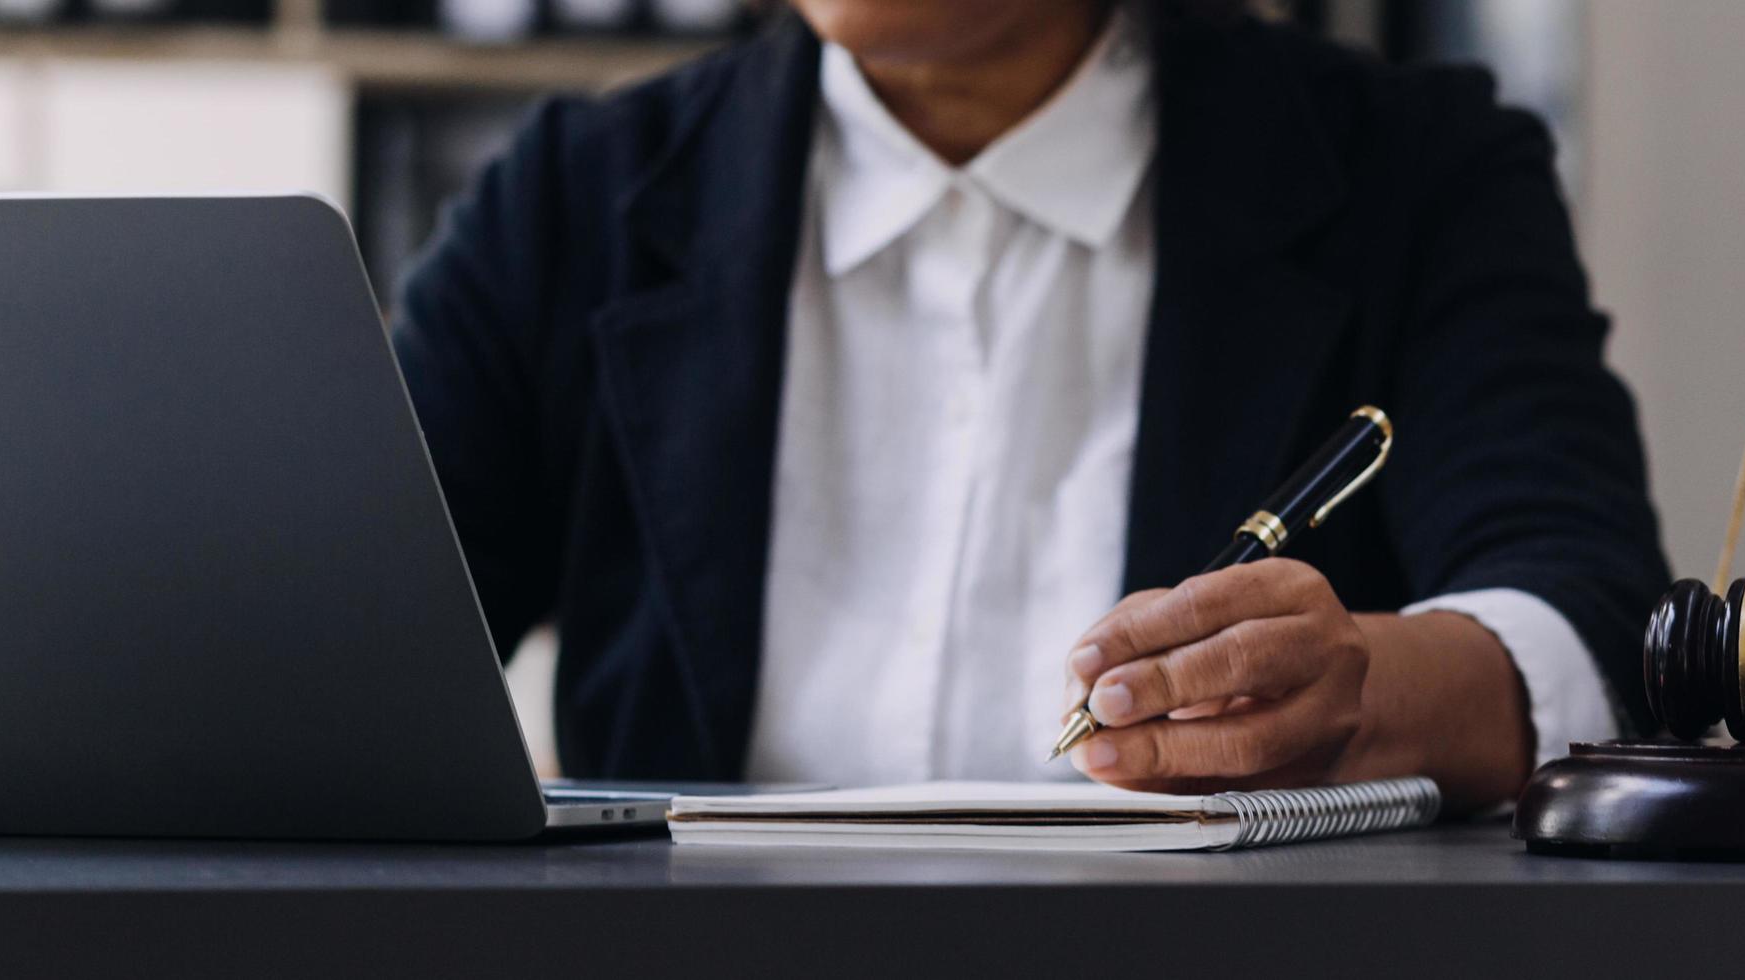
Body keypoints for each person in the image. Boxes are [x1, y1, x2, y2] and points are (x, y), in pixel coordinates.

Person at [390, 0, 1668, 812]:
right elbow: (342, 645)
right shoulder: (569, 201)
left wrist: (1357, 692)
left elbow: (1585, 618)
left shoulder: (1417, 173)